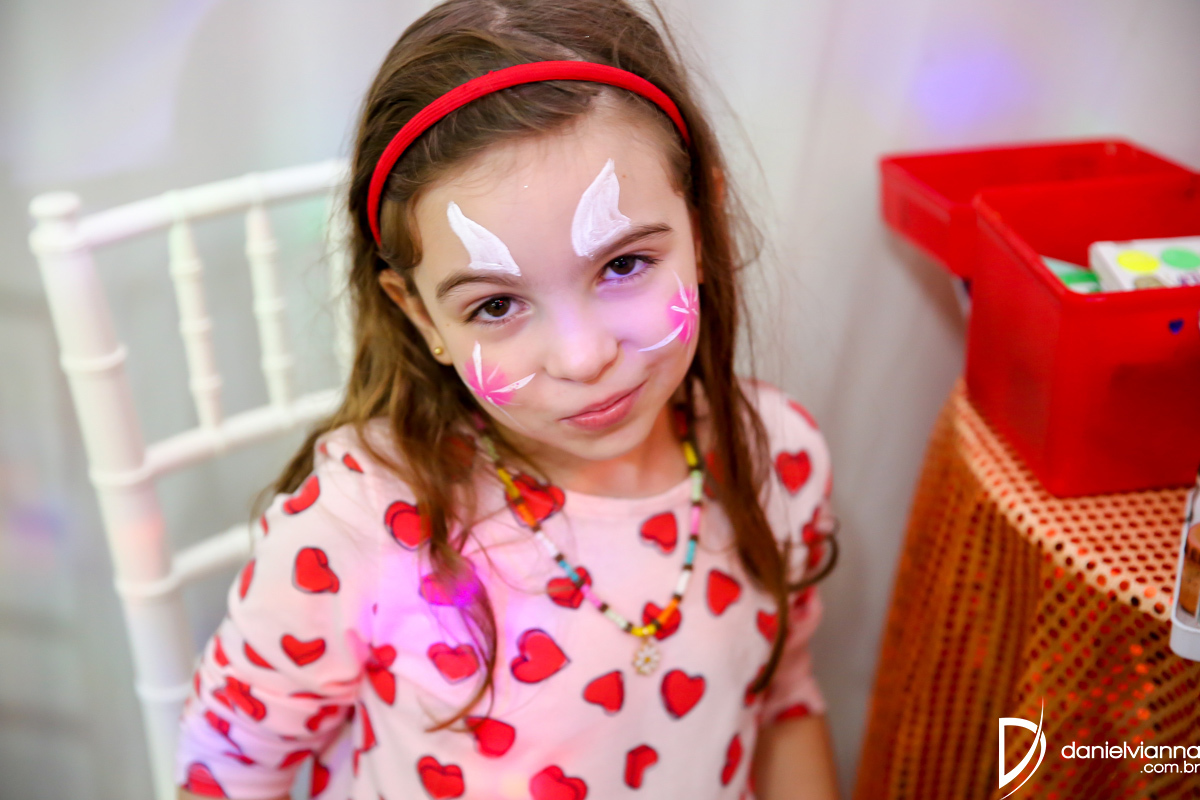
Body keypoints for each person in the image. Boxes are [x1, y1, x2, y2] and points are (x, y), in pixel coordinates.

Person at [175, 1, 841, 797]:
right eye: (496, 305)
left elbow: (783, 703)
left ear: (702, 223)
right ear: (422, 317)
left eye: (623, 265)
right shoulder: (359, 526)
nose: (583, 357)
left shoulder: (776, 459)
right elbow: (224, 775)